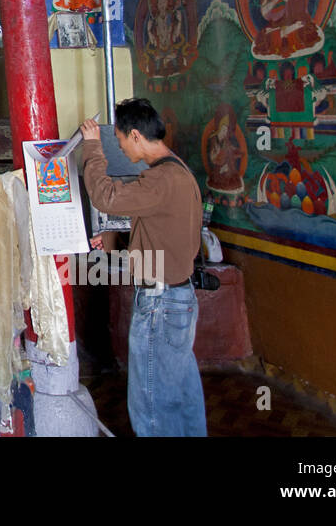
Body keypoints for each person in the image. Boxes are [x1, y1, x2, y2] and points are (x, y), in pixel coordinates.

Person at [81, 100, 206, 437]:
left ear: (135, 135)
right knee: (182, 393)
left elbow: (105, 197)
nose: (120, 145)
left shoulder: (160, 179)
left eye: (120, 138)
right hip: (179, 296)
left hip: (160, 305)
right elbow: (157, 230)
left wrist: (93, 148)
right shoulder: (177, 170)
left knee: (151, 404)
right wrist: (115, 243)